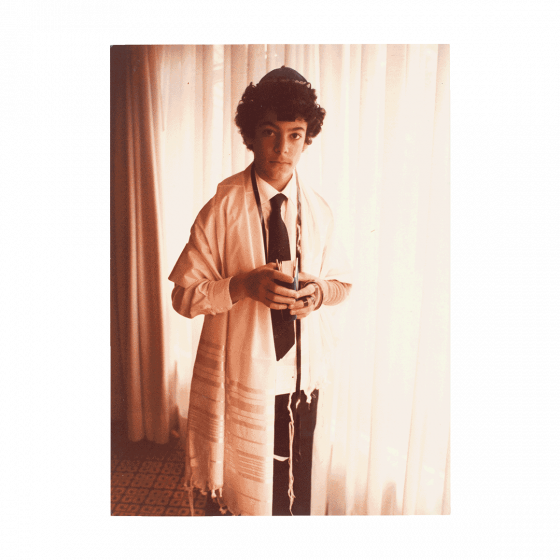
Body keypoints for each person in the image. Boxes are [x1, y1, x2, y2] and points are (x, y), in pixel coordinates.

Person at [169, 66, 352, 516]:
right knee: (246, 491)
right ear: (250, 135)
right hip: (245, 373)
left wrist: (320, 294)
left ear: (308, 139)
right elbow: (183, 296)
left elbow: (343, 283)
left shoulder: (320, 210)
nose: (282, 148)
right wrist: (241, 285)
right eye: (270, 132)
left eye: (295, 135)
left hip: (302, 377)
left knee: (297, 487)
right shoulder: (223, 206)